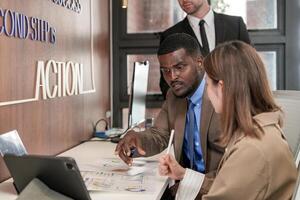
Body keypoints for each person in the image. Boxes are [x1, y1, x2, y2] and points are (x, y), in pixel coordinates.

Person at [159, 40, 298, 200]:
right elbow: (228, 186)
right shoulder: (259, 133)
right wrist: (183, 174)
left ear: (222, 87)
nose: (208, 95)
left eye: (208, 85)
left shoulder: (251, 149)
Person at [115, 33, 224, 197]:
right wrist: (137, 139)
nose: (172, 77)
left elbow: (237, 171)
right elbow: (159, 134)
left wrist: (190, 184)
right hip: (185, 187)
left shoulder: (222, 96)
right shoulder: (174, 96)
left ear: (199, 62)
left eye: (179, 67)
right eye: (166, 70)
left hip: (216, 190)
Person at [159, 0, 251, 99]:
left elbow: (250, 67)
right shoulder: (170, 35)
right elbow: (166, 84)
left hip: (236, 104)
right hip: (193, 109)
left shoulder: (235, 25)